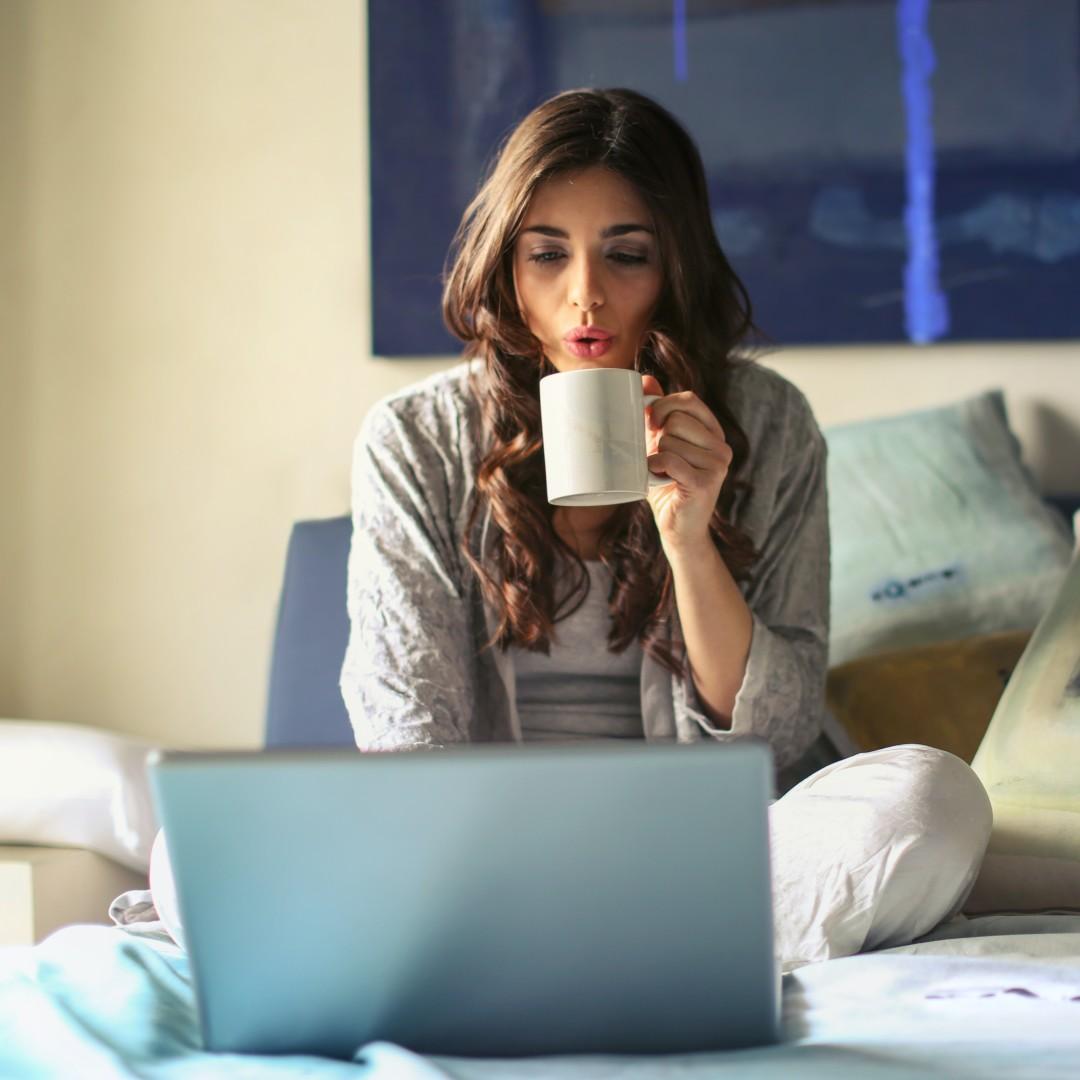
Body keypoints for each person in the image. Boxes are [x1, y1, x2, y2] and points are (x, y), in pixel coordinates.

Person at [148, 89, 991, 969]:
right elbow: (406, 727)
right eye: (547, 254)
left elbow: (774, 734)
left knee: (935, 801)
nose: (584, 295)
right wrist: (475, 859)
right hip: (478, 856)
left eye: (626, 255)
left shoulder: (770, 427)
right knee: (192, 856)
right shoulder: (417, 440)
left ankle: (525, 953)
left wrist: (691, 536)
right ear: (506, 267)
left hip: (703, 856)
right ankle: (632, 950)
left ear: (677, 268)